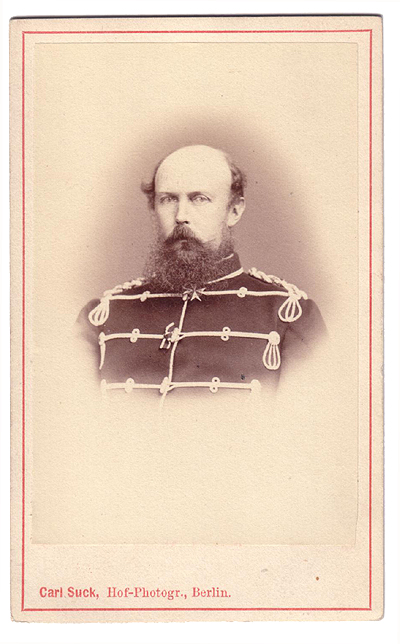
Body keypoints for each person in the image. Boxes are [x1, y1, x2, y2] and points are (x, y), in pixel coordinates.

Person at [76, 145, 326, 403]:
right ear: (154, 208)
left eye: (199, 199)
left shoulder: (288, 316)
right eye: (168, 199)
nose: (181, 216)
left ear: (234, 210)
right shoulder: (102, 318)